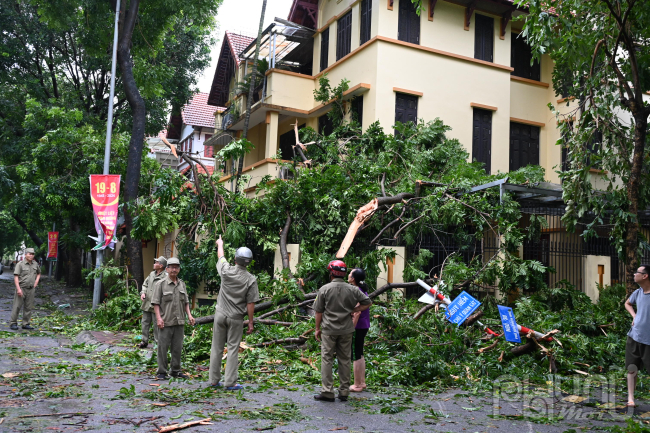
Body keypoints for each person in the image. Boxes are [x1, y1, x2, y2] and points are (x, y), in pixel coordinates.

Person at [313, 260, 372, 402]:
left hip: (329, 329)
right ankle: (344, 391)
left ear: (331, 273)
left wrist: (317, 328)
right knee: (345, 359)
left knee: (327, 359)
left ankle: (327, 391)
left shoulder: (325, 289)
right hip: (346, 329)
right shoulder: (352, 289)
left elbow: (318, 311)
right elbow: (368, 302)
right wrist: (355, 309)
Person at [209, 235, 259, 391]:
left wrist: (220, 243)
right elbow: (250, 304)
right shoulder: (250, 279)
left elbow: (221, 256)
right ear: (249, 262)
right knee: (232, 349)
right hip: (236, 317)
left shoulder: (226, 271)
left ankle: (213, 380)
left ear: (236, 259)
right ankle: (230, 382)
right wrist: (250, 322)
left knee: (216, 347)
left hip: (220, 314)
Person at [151, 257, 195, 380]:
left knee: (177, 347)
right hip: (165, 321)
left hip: (179, 321)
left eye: (176, 267)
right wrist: (159, 318)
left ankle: (175, 370)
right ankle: (161, 372)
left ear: (179, 269)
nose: (174, 269)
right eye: (172, 267)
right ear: (167, 269)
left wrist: (189, 315)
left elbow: (186, 302)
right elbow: (155, 303)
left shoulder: (182, 284)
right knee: (162, 348)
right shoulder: (160, 284)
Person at [624, 264, 650, 407]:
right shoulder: (638, 292)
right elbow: (627, 303)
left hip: (649, 340)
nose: (634, 275)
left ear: (645, 276)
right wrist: (634, 316)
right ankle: (631, 399)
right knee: (632, 368)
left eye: (637, 273)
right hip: (634, 336)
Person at [349, 268, 370, 392]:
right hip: (364, 325)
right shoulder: (361, 290)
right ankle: (362, 382)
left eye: (350, 274)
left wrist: (351, 328)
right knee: (360, 353)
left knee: (355, 354)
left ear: (353, 279)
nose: (348, 275)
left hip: (358, 326)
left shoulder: (356, 291)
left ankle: (357, 385)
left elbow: (356, 312)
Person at [139, 256, 167, 348]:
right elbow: (145, 284)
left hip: (158, 305)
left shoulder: (166, 276)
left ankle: (157, 344)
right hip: (147, 303)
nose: (154, 264)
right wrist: (143, 293)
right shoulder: (151, 274)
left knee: (157, 324)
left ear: (161, 266)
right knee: (145, 323)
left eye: (156, 262)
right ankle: (144, 341)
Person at [10, 248, 41, 331]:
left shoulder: (35, 264)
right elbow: (16, 277)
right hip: (22, 288)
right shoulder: (20, 264)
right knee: (17, 306)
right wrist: (18, 289)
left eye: (32, 254)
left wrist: (36, 282)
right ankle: (13, 323)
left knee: (28, 307)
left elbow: (38, 273)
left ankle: (25, 323)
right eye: (29, 254)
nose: (31, 255)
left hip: (31, 289)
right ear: (25, 255)